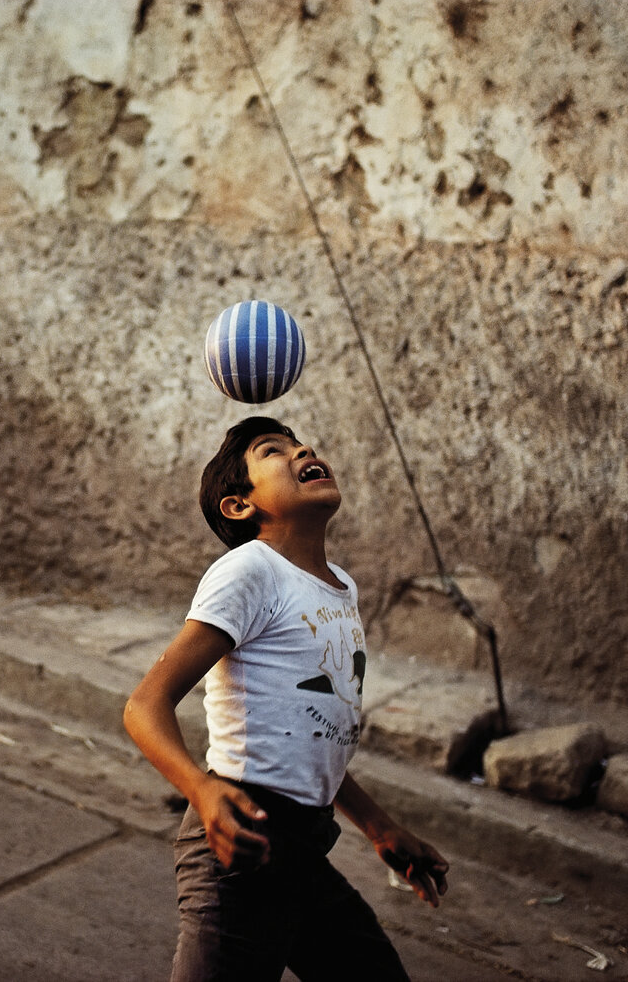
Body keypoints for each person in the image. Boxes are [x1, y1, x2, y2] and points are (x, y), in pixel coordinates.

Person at [124, 416, 449, 981]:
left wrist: (379, 826)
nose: (303, 450)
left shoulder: (339, 586)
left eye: (302, 443)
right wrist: (202, 792)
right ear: (238, 506)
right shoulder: (249, 571)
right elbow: (145, 704)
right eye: (274, 451)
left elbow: (306, 730)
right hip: (240, 851)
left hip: (302, 852)